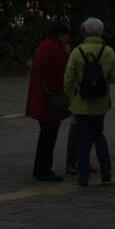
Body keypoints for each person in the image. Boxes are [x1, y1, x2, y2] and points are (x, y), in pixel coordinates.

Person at [63, 17, 115, 186]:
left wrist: (70, 96)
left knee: (82, 138)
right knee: (99, 135)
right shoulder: (108, 51)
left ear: (85, 32)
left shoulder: (77, 52)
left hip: (80, 103)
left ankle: (83, 174)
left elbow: (68, 79)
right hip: (100, 102)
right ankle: (106, 169)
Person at [25, 18, 71, 181]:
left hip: (42, 96)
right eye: (66, 35)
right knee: (48, 135)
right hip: (49, 99)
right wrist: (67, 54)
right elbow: (63, 72)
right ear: (59, 35)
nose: (67, 39)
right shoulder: (54, 49)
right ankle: (44, 169)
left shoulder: (45, 46)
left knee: (45, 134)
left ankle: (40, 168)